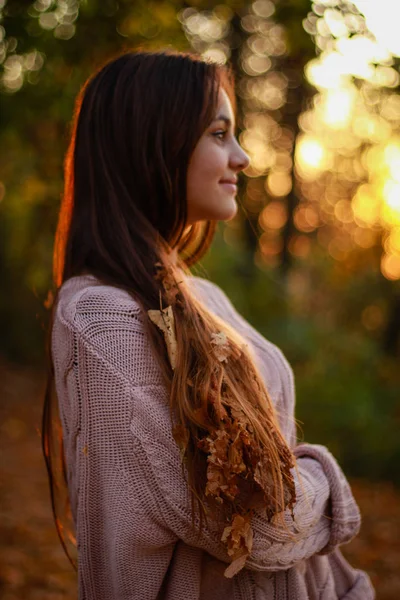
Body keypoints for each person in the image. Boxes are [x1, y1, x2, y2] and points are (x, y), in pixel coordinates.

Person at [42, 49, 375, 599]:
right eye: (219, 134)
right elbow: (244, 526)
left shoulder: (203, 297)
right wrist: (327, 480)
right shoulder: (101, 321)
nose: (242, 157)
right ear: (153, 143)